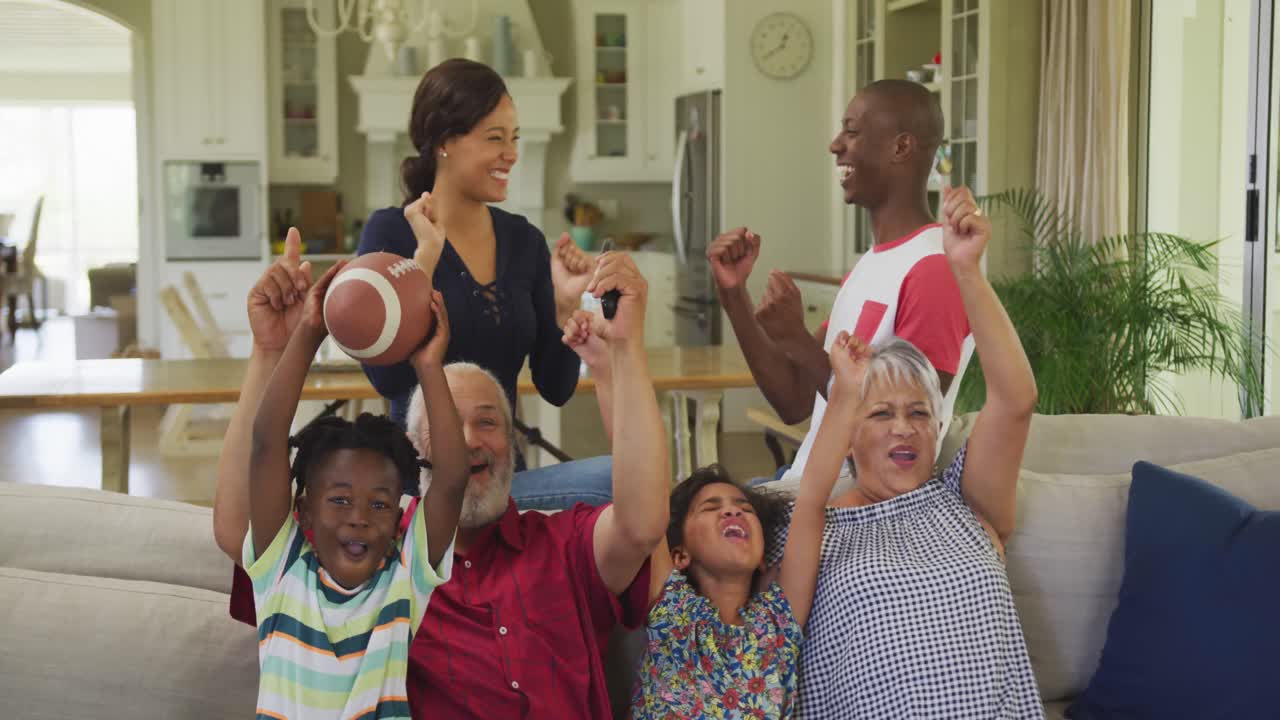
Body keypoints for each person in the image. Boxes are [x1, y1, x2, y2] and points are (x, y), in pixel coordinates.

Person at [224, 249, 671, 719]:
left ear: (516, 443)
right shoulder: (377, 558)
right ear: (417, 458)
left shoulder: (565, 541)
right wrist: (271, 350)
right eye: (445, 429)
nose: (470, 441)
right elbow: (240, 518)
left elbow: (642, 523)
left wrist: (625, 351)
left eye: (488, 423)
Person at [776, 186, 1043, 718]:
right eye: (881, 414)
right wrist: (844, 392)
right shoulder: (809, 523)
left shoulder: (965, 505)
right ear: (847, 436)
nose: (905, 429)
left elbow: (1016, 400)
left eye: (920, 413)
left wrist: (966, 270)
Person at [356, 59, 612, 513]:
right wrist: (425, 261)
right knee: (615, 483)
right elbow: (388, 378)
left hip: (499, 482)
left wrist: (565, 307)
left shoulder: (524, 240)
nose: (511, 153)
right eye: (495, 138)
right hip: (420, 488)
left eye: (514, 138)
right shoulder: (390, 233)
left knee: (627, 480)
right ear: (444, 142)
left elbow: (556, 389)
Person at [710, 79, 973, 486]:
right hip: (807, 481)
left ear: (901, 148)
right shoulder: (869, 267)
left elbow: (904, 431)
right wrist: (734, 296)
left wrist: (796, 337)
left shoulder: (933, 270)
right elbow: (793, 400)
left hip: (854, 508)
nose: (835, 145)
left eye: (851, 132)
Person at [242, 252, 468, 719]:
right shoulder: (281, 571)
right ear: (302, 512)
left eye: (381, 505)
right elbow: (266, 445)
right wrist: (307, 333)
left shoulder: (404, 579)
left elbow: (450, 480)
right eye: (340, 500)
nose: (360, 517)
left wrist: (429, 366)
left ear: (398, 520)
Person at [626, 335, 866, 720]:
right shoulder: (672, 607)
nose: (732, 513)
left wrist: (848, 390)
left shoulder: (777, 620)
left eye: (742, 507)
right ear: (680, 555)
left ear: (761, 557)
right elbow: (640, 475)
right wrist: (624, 347)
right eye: (711, 507)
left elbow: (811, 501)